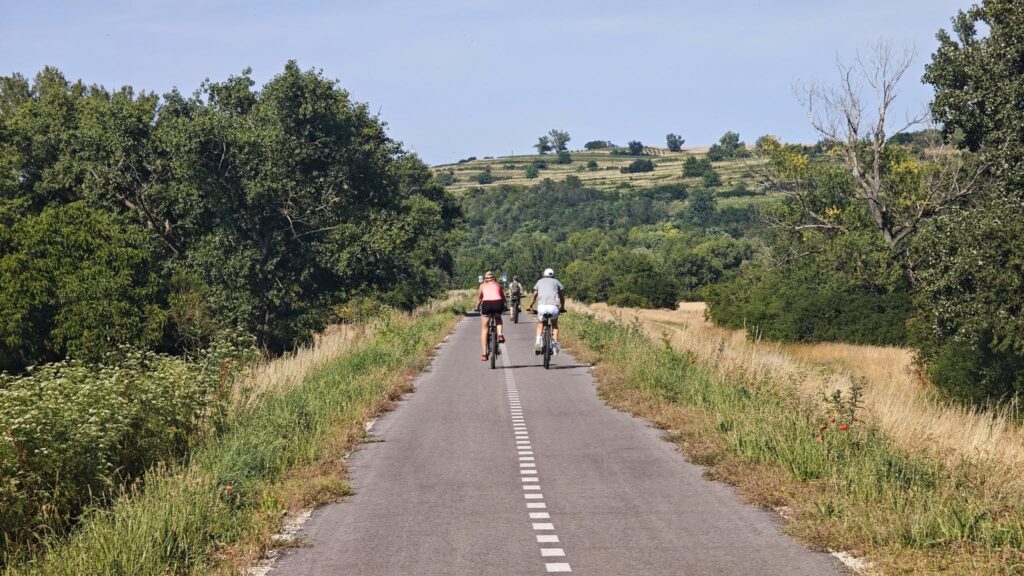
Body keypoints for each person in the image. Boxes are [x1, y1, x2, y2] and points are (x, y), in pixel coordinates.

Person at [527, 268, 565, 355]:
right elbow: (562, 297)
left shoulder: (540, 281)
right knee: (554, 324)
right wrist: (562, 307)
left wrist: (531, 305)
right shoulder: (557, 282)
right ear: (553, 275)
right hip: (553, 307)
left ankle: (537, 342)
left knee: (540, 323)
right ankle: (554, 345)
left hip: (542, 307)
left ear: (544, 275)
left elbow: (535, 295)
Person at [476, 271, 506, 361]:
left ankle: (484, 354)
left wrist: (477, 307)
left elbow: (480, 299)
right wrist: (506, 305)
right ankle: (500, 335)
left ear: (485, 279)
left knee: (485, 327)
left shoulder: (482, 286)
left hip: (487, 304)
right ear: (494, 278)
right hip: (498, 303)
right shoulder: (498, 285)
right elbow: (503, 297)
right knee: (498, 318)